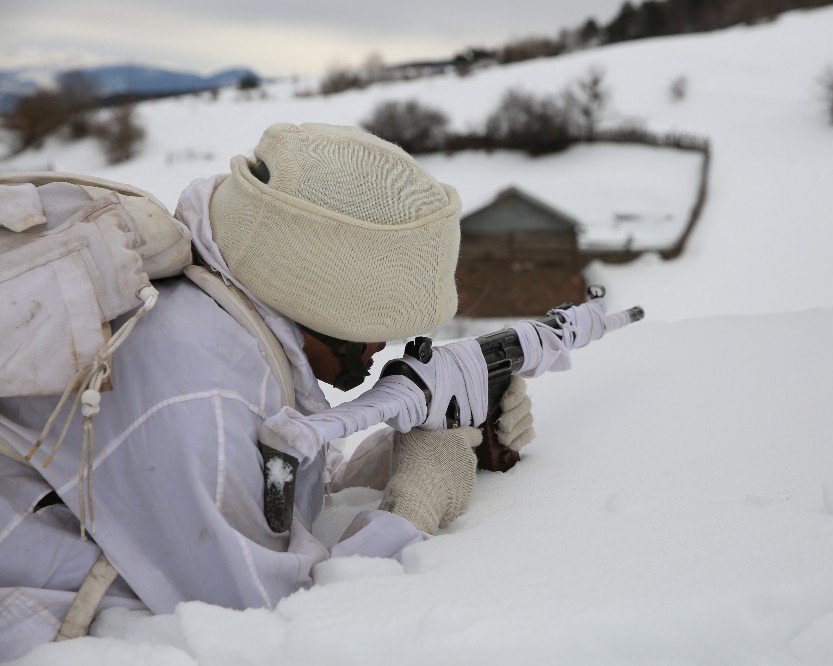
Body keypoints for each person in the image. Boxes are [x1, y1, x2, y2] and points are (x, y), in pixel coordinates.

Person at [0, 123, 534, 660]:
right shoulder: (203, 393)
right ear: (323, 299)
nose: (388, 344)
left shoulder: (219, 317)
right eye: (382, 320)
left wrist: (397, 447)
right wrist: (414, 506)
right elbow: (269, 628)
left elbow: (270, 500)